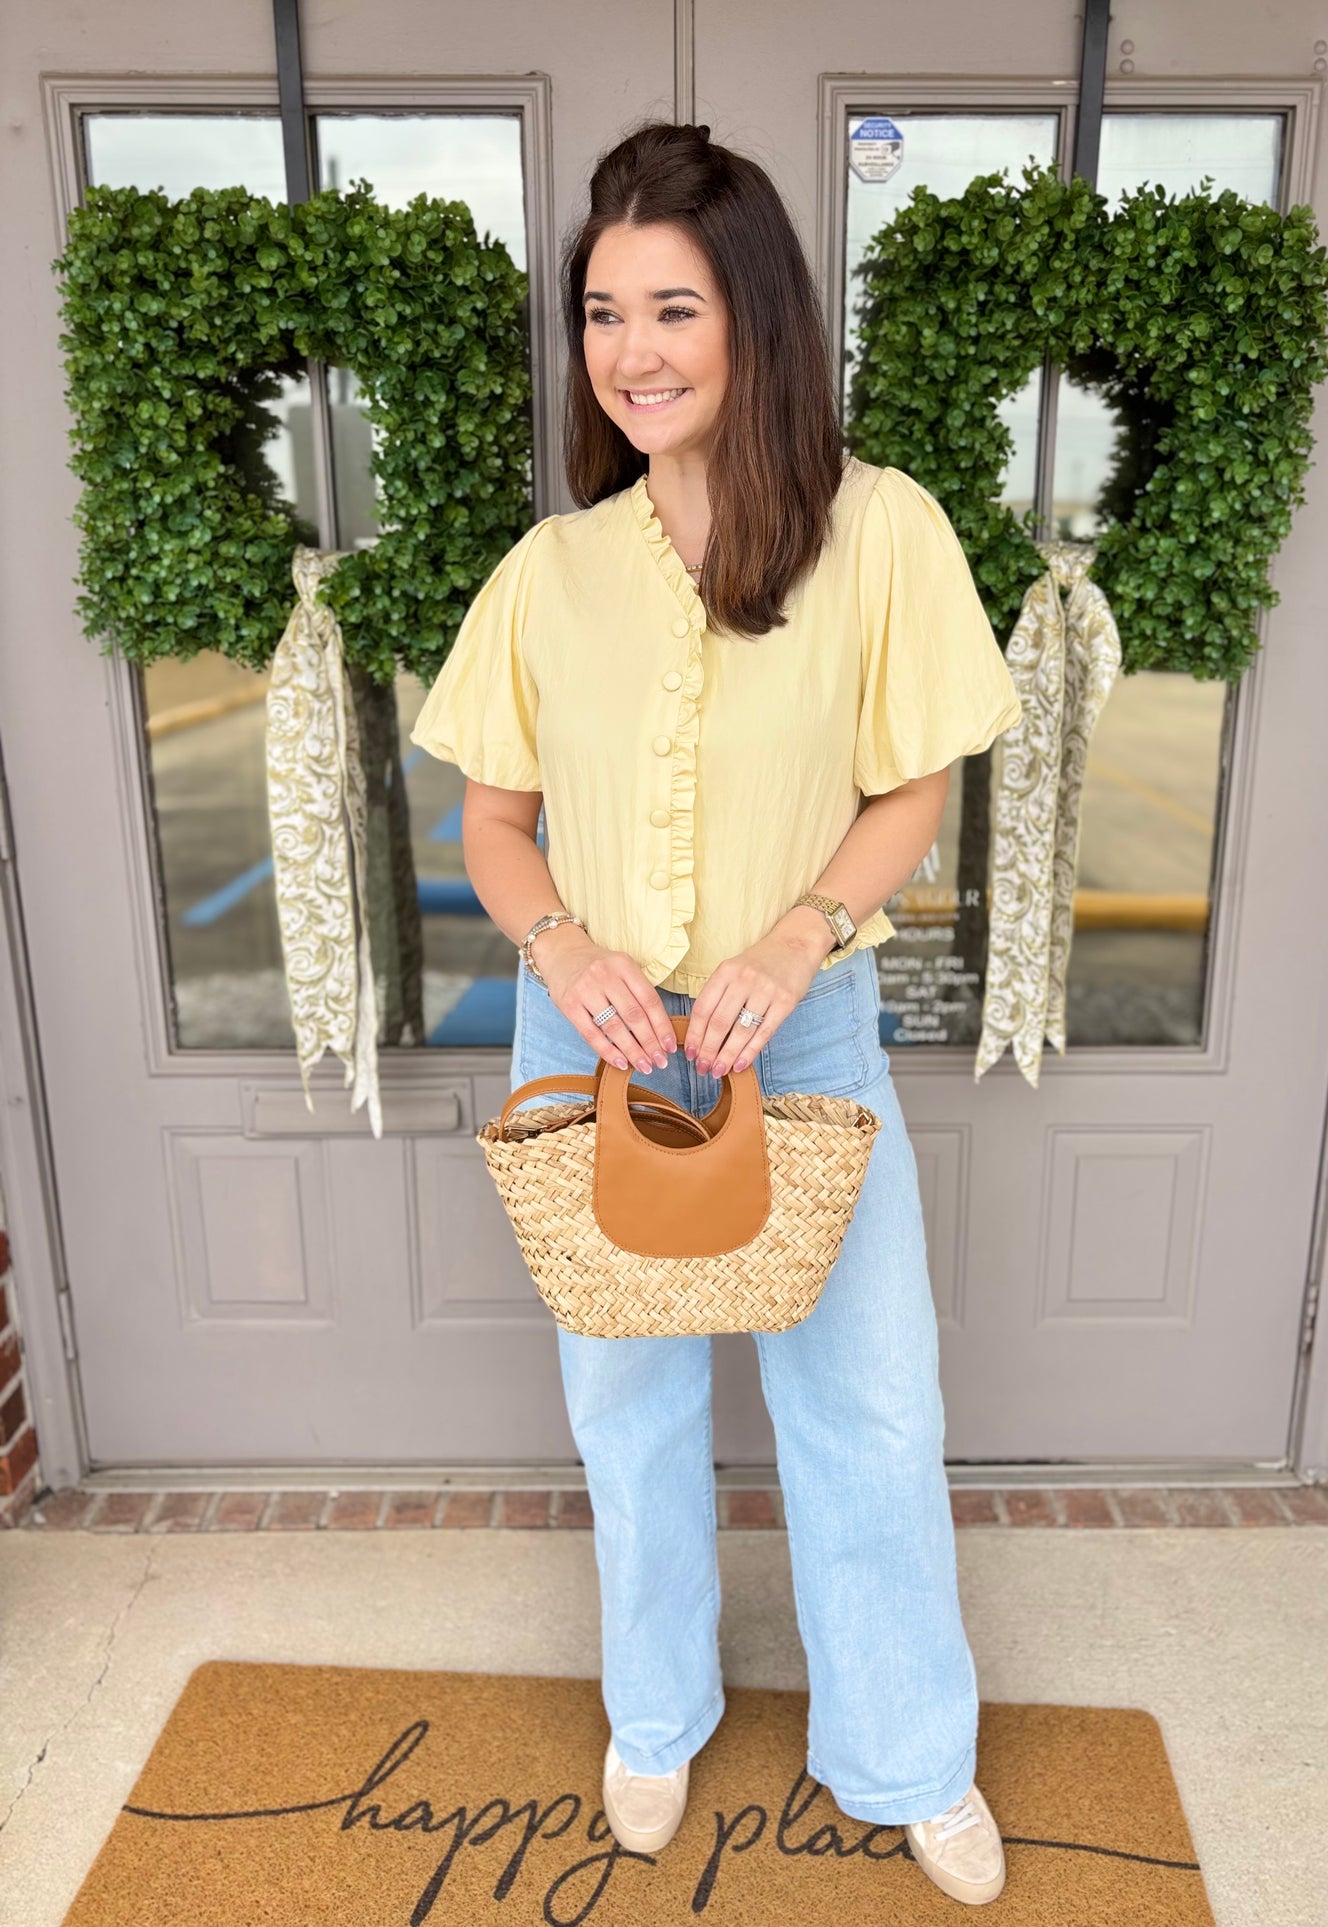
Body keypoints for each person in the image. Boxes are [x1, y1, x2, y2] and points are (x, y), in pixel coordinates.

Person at [409, 118, 1023, 1908]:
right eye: (602, 313)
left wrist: (797, 935)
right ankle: (657, 1715)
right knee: (629, 1409)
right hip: (588, 1046)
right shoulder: (553, 569)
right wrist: (563, 956)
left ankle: (907, 1750)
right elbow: (493, 826)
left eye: (670, 306)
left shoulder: (879, 527)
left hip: (801, 1033)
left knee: (871, 1407)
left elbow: (910, 788)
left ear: (750, 314)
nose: (634, 352)